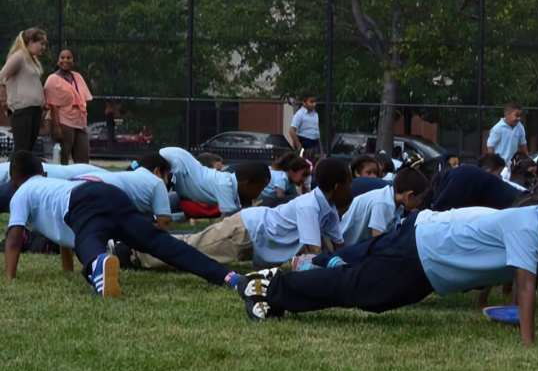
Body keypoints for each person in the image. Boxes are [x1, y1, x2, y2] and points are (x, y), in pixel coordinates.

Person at [236, 174, 538, 346]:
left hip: (428, 256)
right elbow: (525, 285)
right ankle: (268, 287)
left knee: (367, 292)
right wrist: (529, 346)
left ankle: (277, 287)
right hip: (425, 248)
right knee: (359, 288)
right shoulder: (528, 225)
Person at [3, 151, 242, 297]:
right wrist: (66, 269)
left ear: (13, 180)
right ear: (43, 173)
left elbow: (14, 238)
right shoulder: (49, 184)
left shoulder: (21, 193)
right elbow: (60, 235)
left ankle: (98, 265)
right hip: (108, 193)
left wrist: (11, 277)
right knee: (159, 243)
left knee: (88, 243)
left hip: (82, 203)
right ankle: (226, 276)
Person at [125, 158, 350, 271]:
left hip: (252, 237)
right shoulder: (310, 205)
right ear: (338, 186)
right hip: (245, 231)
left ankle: (139, 245)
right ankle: (134, 252)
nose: (351, 190)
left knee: (192, 247)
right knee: (190, 250)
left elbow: (338, 246)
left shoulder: (327, 208)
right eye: (349, 185)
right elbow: (316, 252)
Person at [159, 146, 269, 216]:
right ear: (248, 183)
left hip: (179, 170)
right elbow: (231, 220)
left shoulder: (229, 186)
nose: (260, 193)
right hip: (173, 159)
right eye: (260, 188)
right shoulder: (225, 184)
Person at [340, 167, 428, 245]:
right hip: (347, 246)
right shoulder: (384, 203)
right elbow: (378, 238)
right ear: (410, 195)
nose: (420, 202)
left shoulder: (392, 199)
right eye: (420, 198)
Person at [0, 28, 48, 154]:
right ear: (31, 41)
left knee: (29, 148)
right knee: (22, 148)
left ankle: (24, 171)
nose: (44, 47)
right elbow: (2, 76)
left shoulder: (32, 60)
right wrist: (3, 97)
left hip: (35, 109)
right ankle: (14, 171)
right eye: (41, 43)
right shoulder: (19, 56)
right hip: (22, 110)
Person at [43, 47, 93, 165]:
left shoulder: (77, 77)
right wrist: (56, 127)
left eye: (69, 58)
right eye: (62, 57)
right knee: (63, 159)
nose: (65, 60)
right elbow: (53, 105)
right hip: (63, 122)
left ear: (73, 61)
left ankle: (81, 181)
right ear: (57, 60)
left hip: (79, 122)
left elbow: (82, 99)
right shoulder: (53, 79)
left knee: (83, 159)